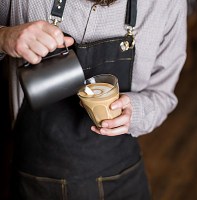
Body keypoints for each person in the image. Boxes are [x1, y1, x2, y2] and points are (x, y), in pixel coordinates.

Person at [0, 0, 187, 199]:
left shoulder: (166, 4)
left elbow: (162, 95)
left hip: (122, 180)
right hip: (34, 180)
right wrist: (4, 37)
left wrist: (137, 110)